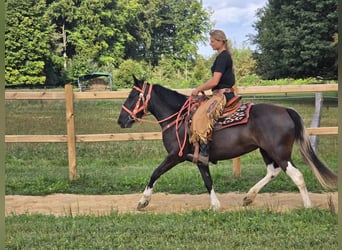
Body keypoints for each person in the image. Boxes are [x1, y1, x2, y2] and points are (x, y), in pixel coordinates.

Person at [187, 29, 236, 165]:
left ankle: (204, 153)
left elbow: (215, 81)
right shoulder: (223, 56)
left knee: (201, 115)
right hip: (221, 93)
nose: (210, 43)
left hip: (222, 95)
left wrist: (198, 89)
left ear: (220, 41)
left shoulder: (222, 57)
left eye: (213, 41)